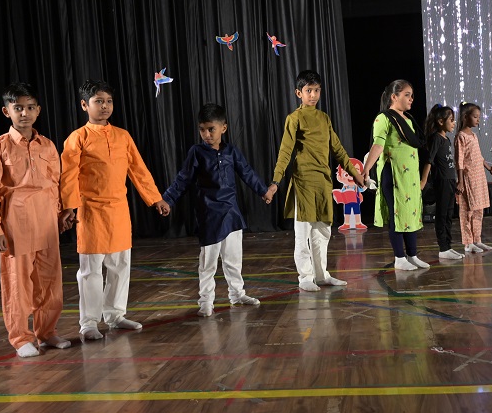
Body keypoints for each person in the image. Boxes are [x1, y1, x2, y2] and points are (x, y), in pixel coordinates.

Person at [60, 80, 169, 340]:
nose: (105, 106)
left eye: (109, 101)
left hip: (119, 209)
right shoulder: (78, 138)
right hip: (91, 211)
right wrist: (68, 207)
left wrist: (155, 198)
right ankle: (88, 323)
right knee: (91, 271)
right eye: (98, 101)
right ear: (84, 105)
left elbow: (138, 169)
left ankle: (115, 315)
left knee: (120, 266)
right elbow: (68, 176)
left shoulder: (123, 136)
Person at [162, 104, 276, 317]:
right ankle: (206, 301)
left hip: (231, 213)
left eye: (211, 129)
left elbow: (247, 172)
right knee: (208, 263)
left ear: (223, 128)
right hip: (209, 215)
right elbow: (182, 180)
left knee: (233, 259)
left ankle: (237, 294)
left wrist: (263, 191)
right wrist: (167, 199)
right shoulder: (196, 153)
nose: (206, 134)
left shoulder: (231, 151)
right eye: (202, 130)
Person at [0, 83, 71, 358]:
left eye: (30, 107)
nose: (25, 113)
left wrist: (61, 213)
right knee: (18, 283)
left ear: (38, 110)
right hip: (16, 222)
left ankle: (47, 332)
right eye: (18, 108)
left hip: (46, 221)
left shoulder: (48, 145)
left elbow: (55, 183)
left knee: (50, 281)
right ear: (6, 111)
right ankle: (21, 338)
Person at [270, 70, 365, 291]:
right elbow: (285, 152)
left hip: (323, 181)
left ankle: (322, 275)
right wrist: (276, 181)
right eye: (308, 91)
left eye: (316, 90)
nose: (313, 95)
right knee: (303, 233)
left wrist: (356, 174)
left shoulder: (324, 118)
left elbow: (338, 149)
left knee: (323, 232)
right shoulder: (294, 118)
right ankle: (305, 277)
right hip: (303, 181)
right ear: (299, 93)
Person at [363, 79, 430, 270]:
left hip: (410, 177)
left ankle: (412, 255)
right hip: (393, 175)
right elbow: (378, 145)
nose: (411, 99)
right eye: (407, 95)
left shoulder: (408, 119)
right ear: (394, 96)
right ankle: (400, 258)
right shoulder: (383, 118)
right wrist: (366, 169)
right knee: (398, 214)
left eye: (412, 95)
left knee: (410, 213)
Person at [420, 104, 464, 259]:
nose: (453, 123)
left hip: (450, 181)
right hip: (442, 182)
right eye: (451, 120)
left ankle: (448, 246)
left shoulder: (447, 139)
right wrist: (423, 180)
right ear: (440, 121)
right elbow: (429, 160)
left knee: (449, 215)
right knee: (442, 214)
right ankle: (443, 248)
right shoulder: (436, 138)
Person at [454, 103, 492, 254]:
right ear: (465, 117)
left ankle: (477, 239)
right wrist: (460, 181)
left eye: (479, 117)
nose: (478, 120)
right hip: (468, 178)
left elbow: (479, 156)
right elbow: (459, 160)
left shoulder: (474, 135)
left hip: (479, 178)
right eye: (475, 117)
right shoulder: (461, 136)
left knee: (478, 210)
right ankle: (468, 242)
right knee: (467, 211)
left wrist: (488, 167)